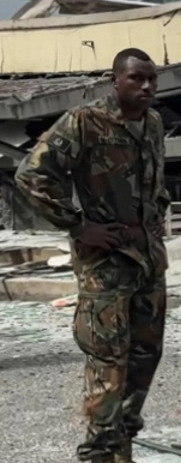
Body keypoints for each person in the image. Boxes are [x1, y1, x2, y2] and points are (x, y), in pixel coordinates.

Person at [16, 48, 169, 463]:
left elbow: (155, 178)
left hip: (148, 258)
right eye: (137, 78)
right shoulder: (85, 122)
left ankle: (123, 444)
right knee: (108, 360)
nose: (147, 86)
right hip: (106, 263)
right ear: (115, 80)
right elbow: (31, 175)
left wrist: (158, 213)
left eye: (152, 79)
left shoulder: (152, 123)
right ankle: (99, 451)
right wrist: (78, 225)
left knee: (145, 354)